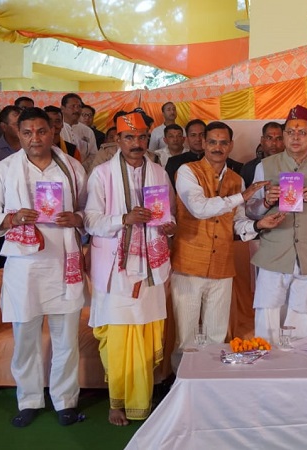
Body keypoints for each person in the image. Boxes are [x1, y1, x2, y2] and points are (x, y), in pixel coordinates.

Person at [0, 107, 88, 427]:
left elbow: (90, 210)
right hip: (25, 265)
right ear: (18, 134)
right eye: (27, 132)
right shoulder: (5, 169)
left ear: (52, 132)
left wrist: (78, 218)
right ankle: (28, 400)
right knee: (25, 338)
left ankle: (65, 401)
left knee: (66, 338)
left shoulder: (72, 167)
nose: (35, 138)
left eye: (41, 131)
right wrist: (12, 218)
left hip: (64, 260)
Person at [84, 112, 175, 426]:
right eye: (129, 137)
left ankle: (143, 400)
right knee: (119, 336)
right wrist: (124, 219)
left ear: (147, 138)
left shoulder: (159, 172)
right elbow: (90, 220)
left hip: (150, 267)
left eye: (141, 137)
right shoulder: (101, 174)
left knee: (146, 333)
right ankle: (116, 402)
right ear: (117, 139)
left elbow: (168, 214)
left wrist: (169, 226)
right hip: (115, 270)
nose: (137, 143)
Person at [171, 121, 285, 369]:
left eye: (223, 143)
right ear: (203, 143)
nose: (217, 147)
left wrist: (258, 225)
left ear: (231, 145)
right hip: (189, 264)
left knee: (216, 338)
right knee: (186, 340)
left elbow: (237, 223)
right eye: (212, 142)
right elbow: (199, 208)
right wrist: (242, 196)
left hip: (222, 265)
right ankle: (182, 386)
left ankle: (212, 383)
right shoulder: (187, 172)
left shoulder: (236, 179)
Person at [246, 105, 307, 342]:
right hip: (274, 255)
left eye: (302, 132)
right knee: (269, 318)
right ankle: (269, 364)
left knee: (305, 321)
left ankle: (303, 364)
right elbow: (250, 210)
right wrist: (265, 202)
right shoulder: (265, 166)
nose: (296, 137)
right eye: (290, 132)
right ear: (283, 135)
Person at [165, 119, 243, 184]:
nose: (198, 139)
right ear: (187, 139)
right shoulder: (174, 163)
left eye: (202, 134)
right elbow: (168, 191)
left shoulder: (234, 166)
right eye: (193, 135)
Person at [59, 93, 98, 162]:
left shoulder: (88, 131)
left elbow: (93, 154)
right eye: (73, 106)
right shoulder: (57, 129)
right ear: (62, 109)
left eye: (79, 106)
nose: (77, 110)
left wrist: (81, 167)